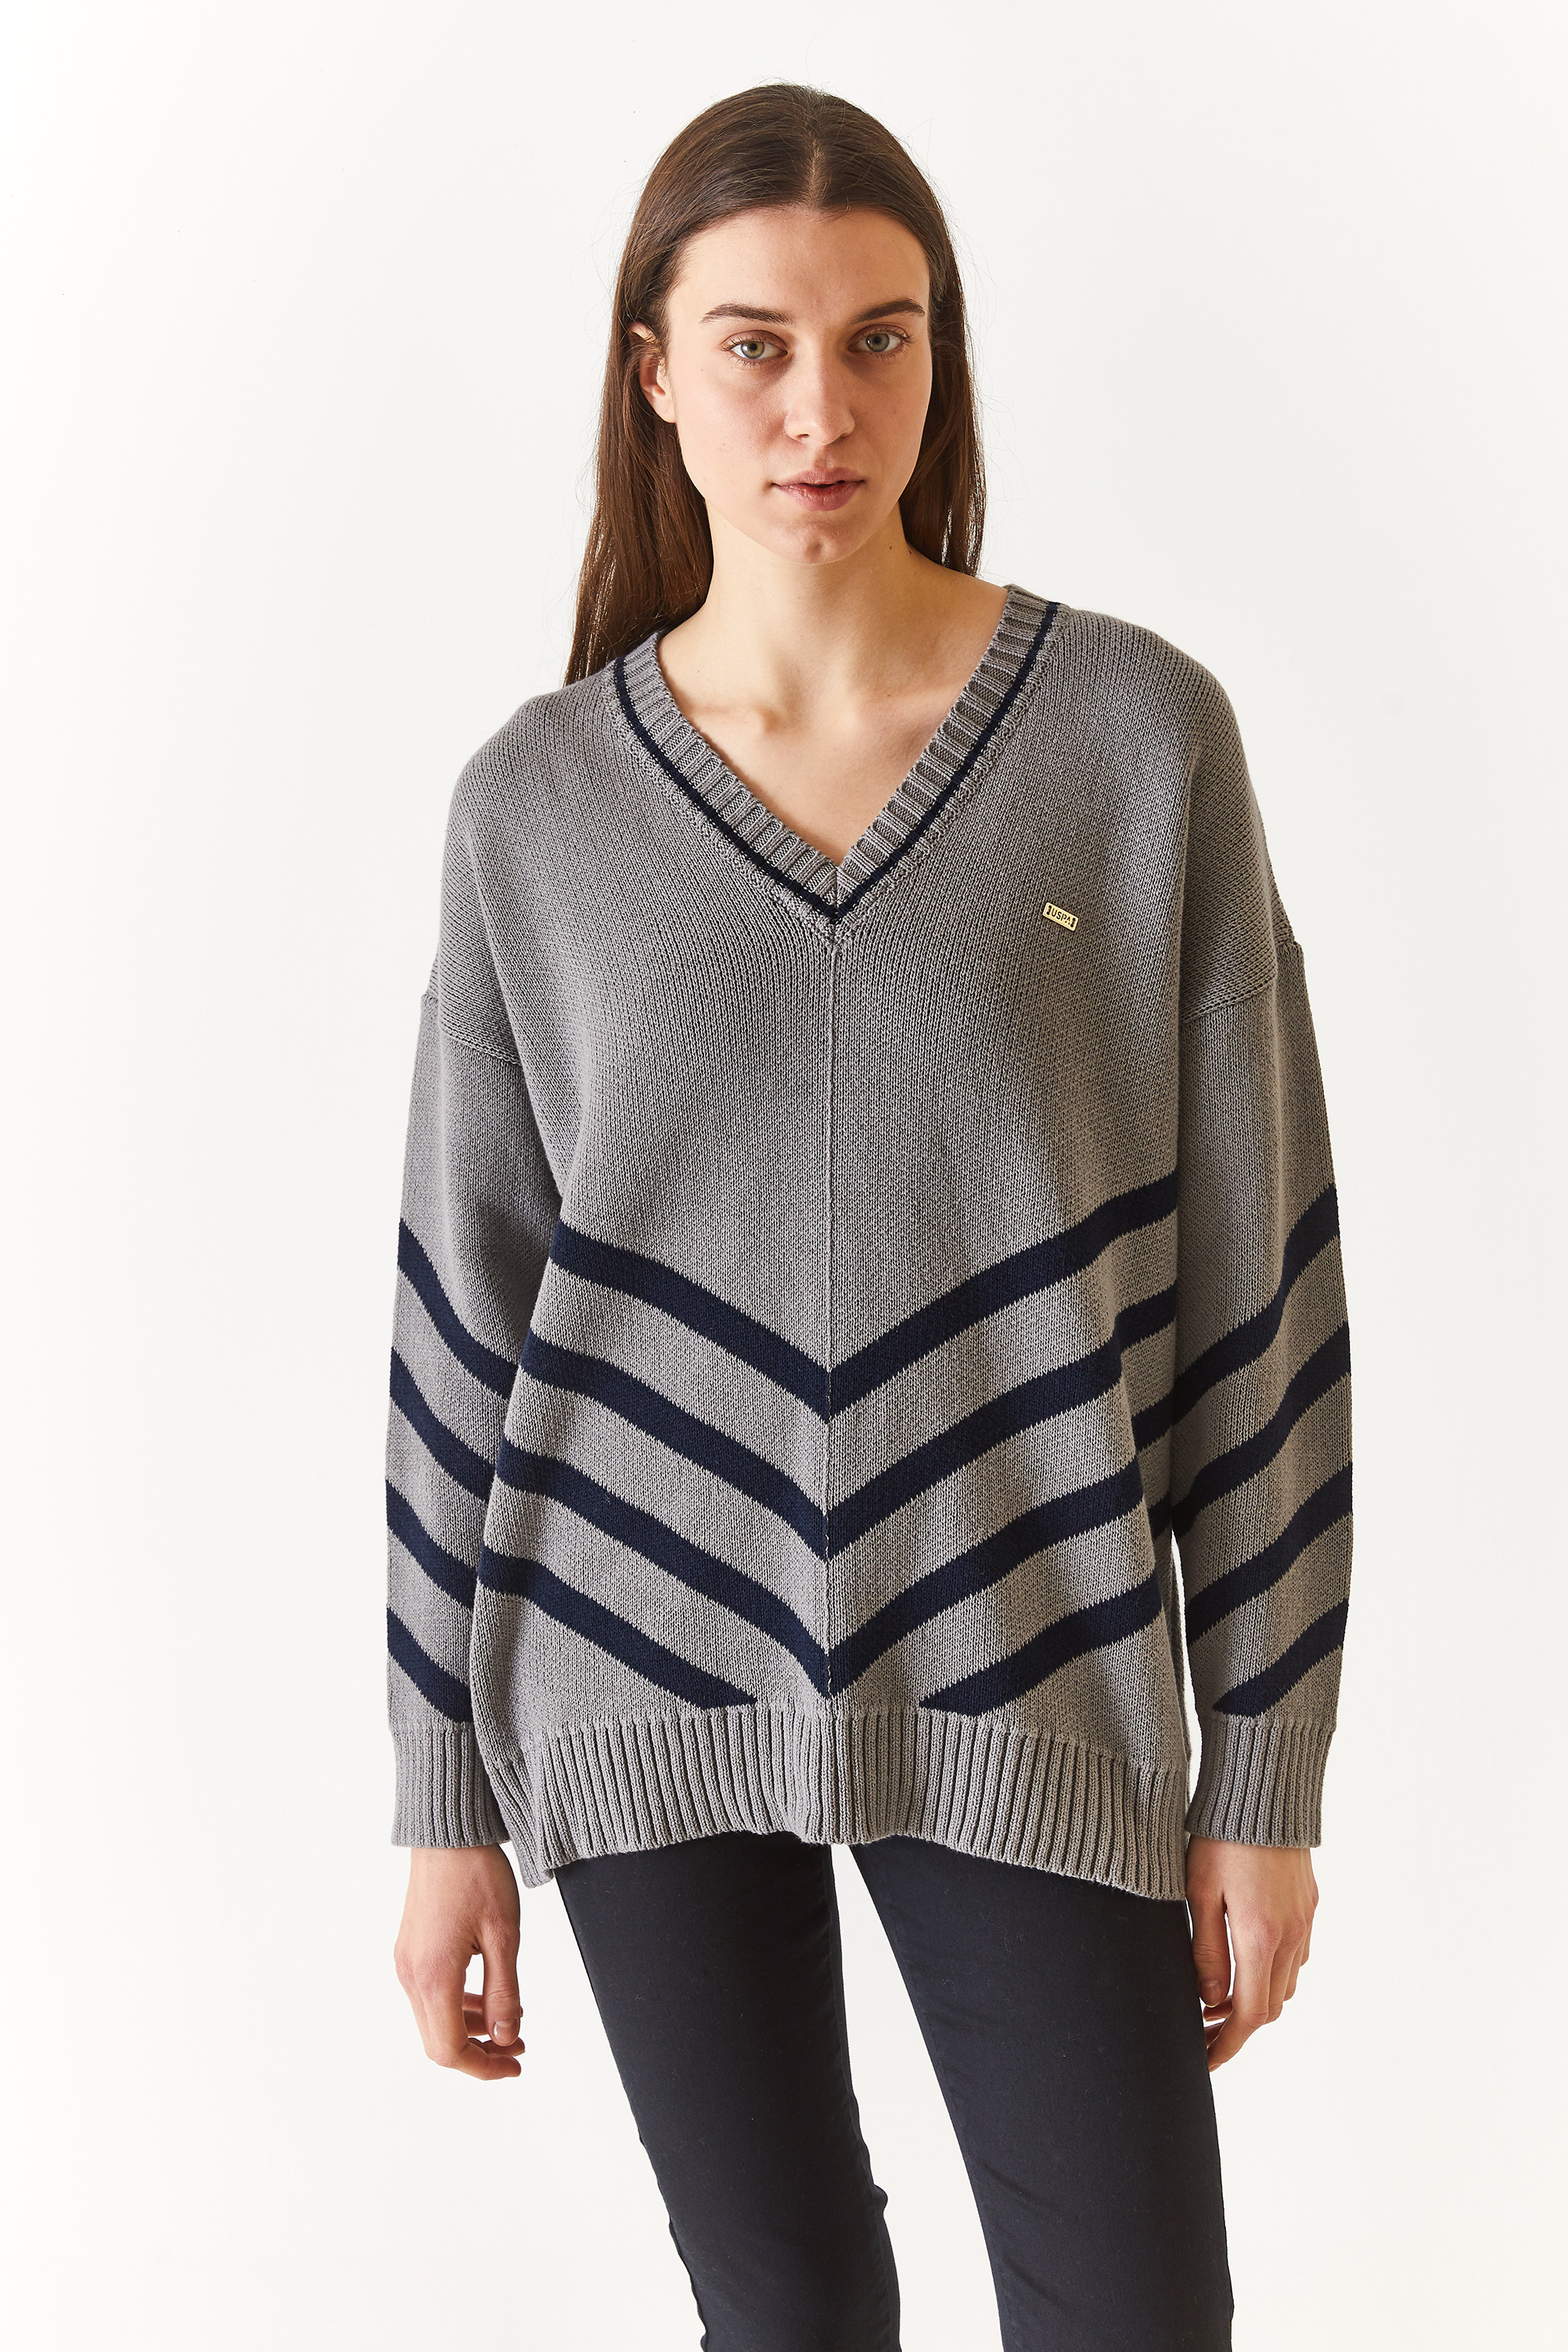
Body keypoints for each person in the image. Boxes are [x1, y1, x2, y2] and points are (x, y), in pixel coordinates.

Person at [384, 81, 1352, 2352]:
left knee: (1131, 2311)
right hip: (630, 1662)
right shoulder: (535, 807)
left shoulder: (1136, 743)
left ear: (939, 359)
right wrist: (440, 1804)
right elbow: (461, 1318)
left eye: (879, 340)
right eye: (754, 346)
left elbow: (1262, 1292)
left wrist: (1266, 1769)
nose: (821, 410)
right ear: (653, 371)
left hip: (1033, 1654)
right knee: (789, 2308)